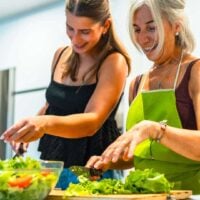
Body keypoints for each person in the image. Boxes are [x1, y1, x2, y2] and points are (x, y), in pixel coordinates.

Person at [0, 0, 131, 189]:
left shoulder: (114, 62)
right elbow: (52, 106)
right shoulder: (60, 54)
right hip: (52, 167)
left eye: (85, 32)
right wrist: (27, 130)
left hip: (91, 170)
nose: (75, 39)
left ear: (105, 26)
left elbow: (92, 121)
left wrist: (43, 124)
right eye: (70, 28)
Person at [86, 0, 200, 195]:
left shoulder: (195, 72)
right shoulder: (136, 84)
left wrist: (154, 129)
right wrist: (108, 161)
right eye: (137, 30)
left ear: (176, 25)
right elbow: (137, 155)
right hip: (145, 195)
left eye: (151, 28)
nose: (143, 39)